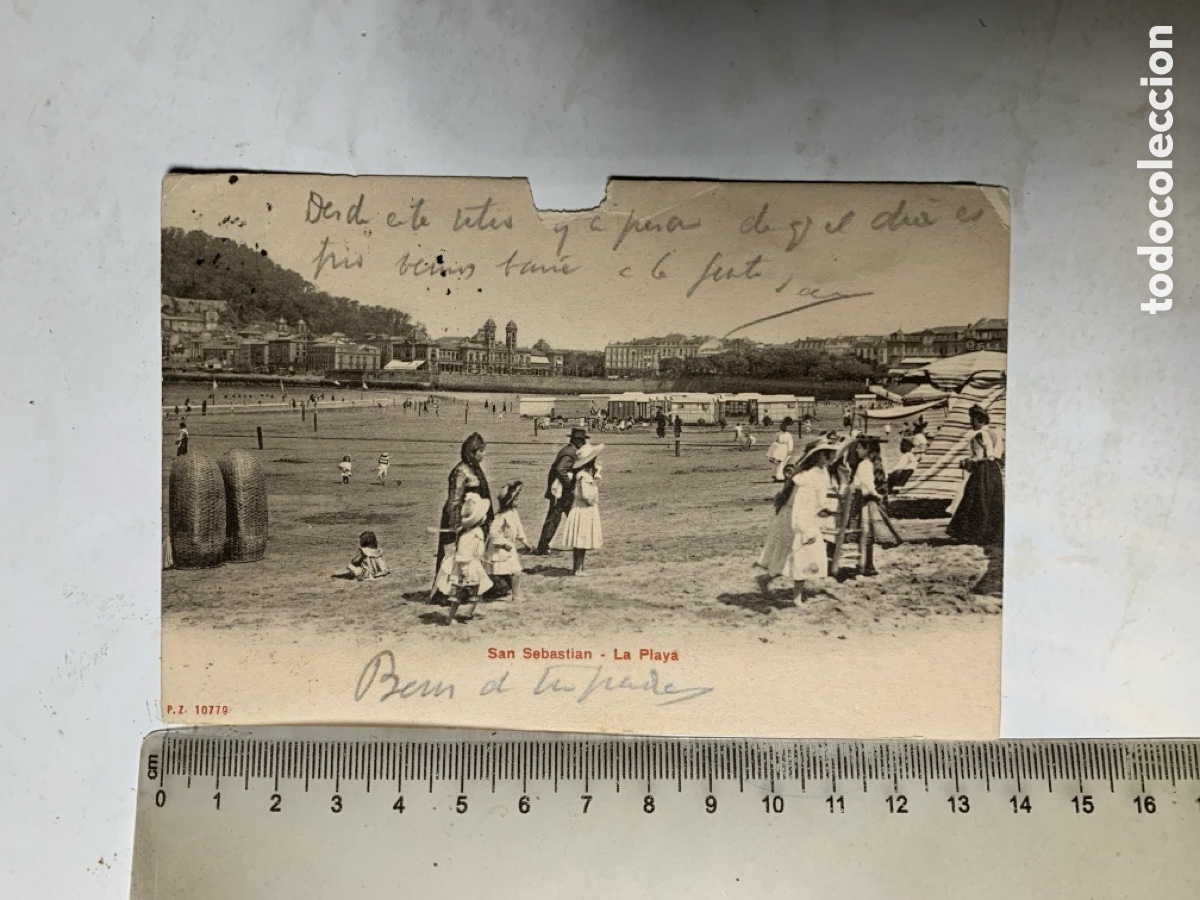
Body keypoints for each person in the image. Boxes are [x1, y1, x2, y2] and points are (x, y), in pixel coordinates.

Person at [755, 441, 841, 603]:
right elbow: (802, 505)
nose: (832, 457)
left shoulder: (822, 472)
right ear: (819, 456)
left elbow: (816, 500)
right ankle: (795, 597)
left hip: (801, 517)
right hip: (795, 519)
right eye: (829, 453)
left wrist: (822, 510)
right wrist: (805, 529)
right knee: (799, 555)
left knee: (797, 556)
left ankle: (769, 582)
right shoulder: (807, 478)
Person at [432, 433, 493, 591]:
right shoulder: (461, 471)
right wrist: (455, 523)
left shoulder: (475, 469)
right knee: (452, 556)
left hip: (473, 518)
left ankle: (469, 589)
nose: (484, 454)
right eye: (481, 451)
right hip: (460, 518)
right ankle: (446, 591)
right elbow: (455, 499)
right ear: (473, 452)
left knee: (472, 555)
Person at [946, 404, 1004, 546]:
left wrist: (966, 462)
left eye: (973, 419)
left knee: (976, 500)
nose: (971, 422)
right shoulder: (996, 433)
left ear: (981, 420)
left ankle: (973, 534)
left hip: (982, 470)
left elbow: (982, 457)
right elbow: (995, 456)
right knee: (991, 500)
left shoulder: (978, 435)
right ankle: (991, 535)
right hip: (994, 470)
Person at [433, 489, 493, 623]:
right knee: (458, 593)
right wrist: (465, 571)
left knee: (478, 589)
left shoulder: (476, 531)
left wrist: (482, 557)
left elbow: (478, 550)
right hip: (464, 567)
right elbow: (463, 554)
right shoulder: (467, 536)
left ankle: (470, 611)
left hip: (474, 565)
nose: (485, 517)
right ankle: (451, 617)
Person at [550, 443, 605, 575]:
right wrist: (597, 480)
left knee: (581, 540)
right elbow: (589, 497)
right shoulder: (584, 477)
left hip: (581, 509)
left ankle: (579, 567)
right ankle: (578, 568)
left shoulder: (582, 475)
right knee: (581, 539)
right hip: (583, 510)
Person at [535, 427, 588, 555]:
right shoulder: (570, 452)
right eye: (582, 441)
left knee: (572, 515)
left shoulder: (568, 450)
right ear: (577, 441)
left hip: (561, 492)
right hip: (560, 492)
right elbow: (560, 469)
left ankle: (580, 543)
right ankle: (542, 547)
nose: (583, 444)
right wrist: (569, 485)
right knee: (555, 518)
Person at [487, 481, 530, 600]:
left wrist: (524, 541)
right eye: (516, 499)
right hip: (501, 548)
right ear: (509, 501)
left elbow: (518, 527)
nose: (518, 501)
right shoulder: (501, 516)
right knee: (514, 571)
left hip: (510, 547)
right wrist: (503, 543)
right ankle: (515, 595)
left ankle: (510, 593)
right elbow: (493, 532)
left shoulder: (514, 513)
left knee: (511, 571)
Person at [766, 418, 795, 482]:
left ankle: (781, 476)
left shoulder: (788, 435)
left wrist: (790, 450)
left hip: (785, 449)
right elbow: (774, 442)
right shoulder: (778, 434)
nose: (783, 428)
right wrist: (773, 450)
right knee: (777, 463)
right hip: (778, 449)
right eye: (782, 426)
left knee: (783, 462)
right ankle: (776, 476)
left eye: (785, 427)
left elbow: (790, 443)